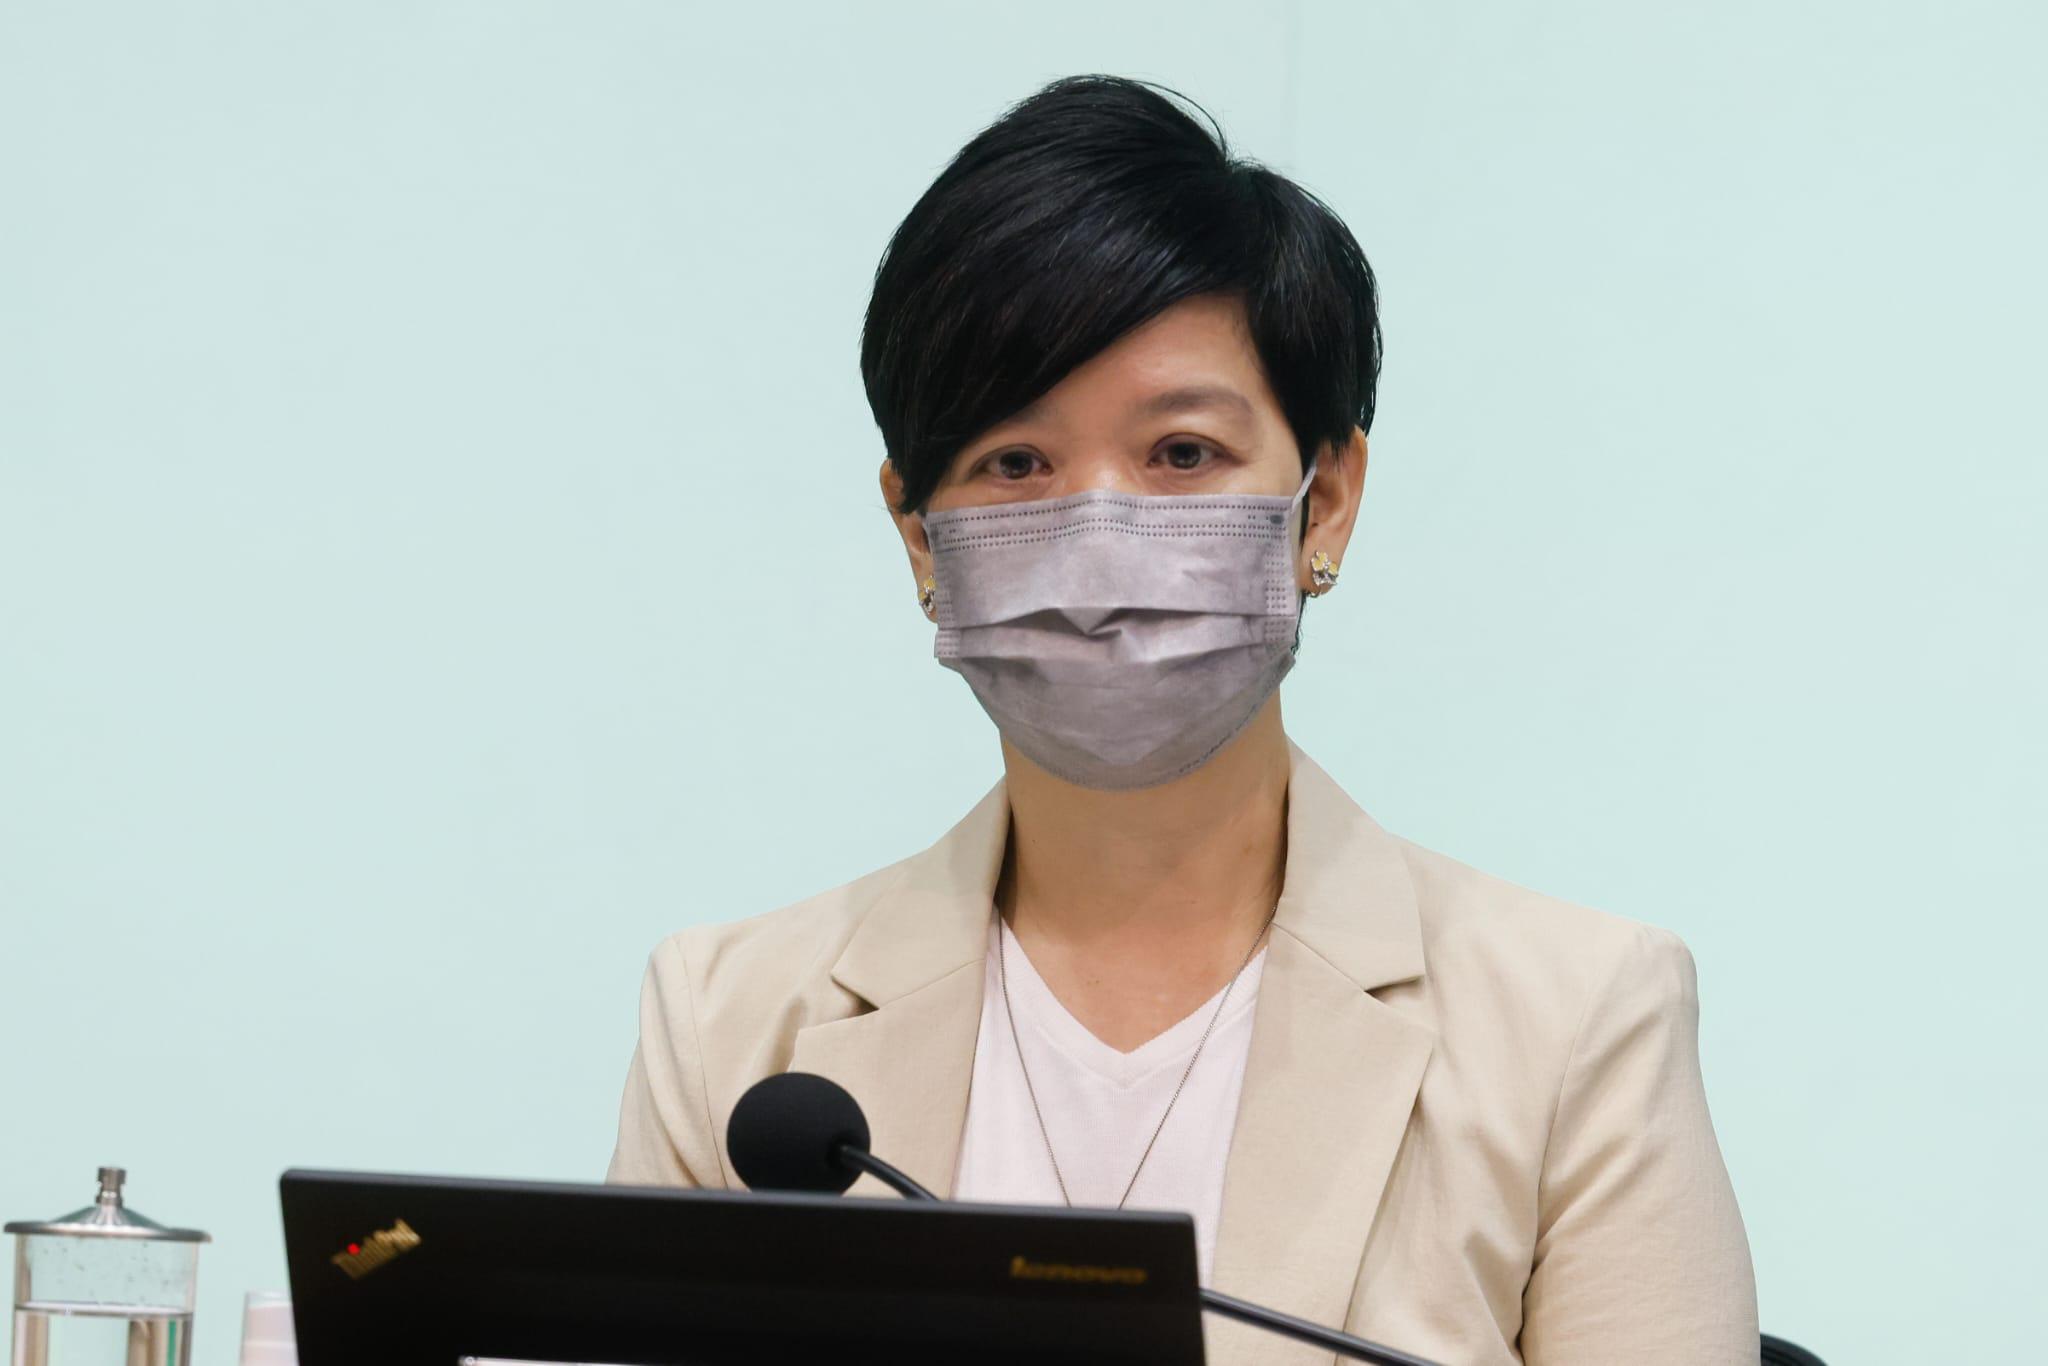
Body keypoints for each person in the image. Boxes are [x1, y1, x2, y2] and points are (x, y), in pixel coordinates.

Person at [607, 74, 1757, 1365]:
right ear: (920, 535)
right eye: (1015, 463)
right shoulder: (732, 1024)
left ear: (1325, 501)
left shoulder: (1574, 1018)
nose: (1101, 545)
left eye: (1183, 454)